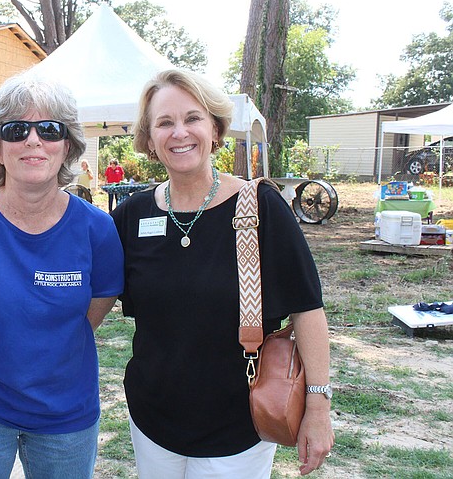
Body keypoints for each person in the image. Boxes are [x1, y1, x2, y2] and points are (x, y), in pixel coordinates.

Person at [110, 69, 334, 478]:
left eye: (192, 118)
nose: (180, 132)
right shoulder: (131, 215)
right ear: (149, 139)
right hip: (152, 420)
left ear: (215, 129)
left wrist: (317, 406)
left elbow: (308, 310)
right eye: (165, 122)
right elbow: (92, 295)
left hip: (238, 427)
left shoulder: (262, 207)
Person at [0, 74, 124, 479]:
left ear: (67, 145)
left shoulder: (98, 231)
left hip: (67, 414)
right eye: (17, 130)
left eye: (50, 129)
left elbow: (95, 309)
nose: (34, 141)